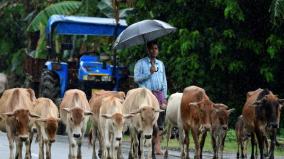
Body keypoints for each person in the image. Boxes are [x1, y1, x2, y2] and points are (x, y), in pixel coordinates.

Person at [134, 40, 167, 155]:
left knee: (159, 122)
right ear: (147, 50)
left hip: (159, 94)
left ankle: (157, 147)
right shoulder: (140, 63)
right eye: (152, 48)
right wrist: (149, 72)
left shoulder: (160, 64)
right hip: (146, 96)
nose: (154, 51)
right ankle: (143, 145)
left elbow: (164, 81)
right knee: (146, 121)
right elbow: (136, 79)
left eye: (156, 48)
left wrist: (165, 97)